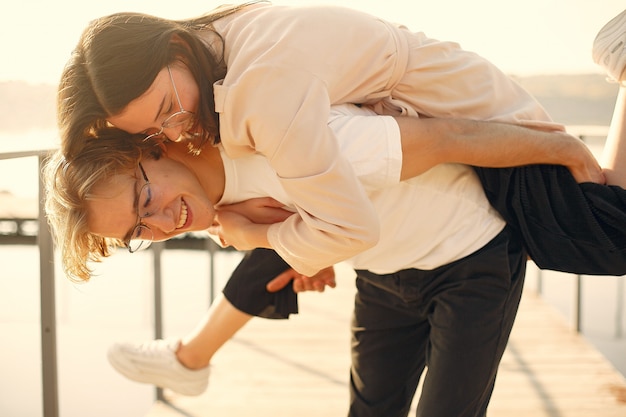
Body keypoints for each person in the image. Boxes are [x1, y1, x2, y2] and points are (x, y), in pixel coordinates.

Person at [57, 1, 606, 281]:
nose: (177, 130)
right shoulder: (210, 47)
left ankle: (621, 65)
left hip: (462, 105)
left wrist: (253, 235)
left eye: (167, 110)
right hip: (427, 110)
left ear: (173, 46)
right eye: (155, 131)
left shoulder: (258, 96)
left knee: (606, 228)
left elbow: (352, 225)